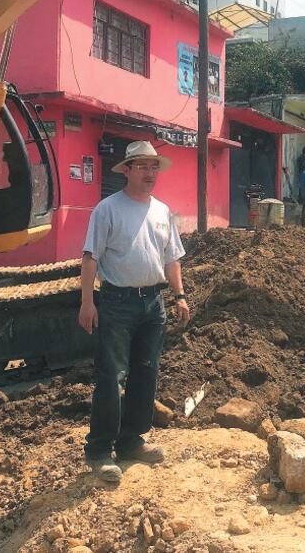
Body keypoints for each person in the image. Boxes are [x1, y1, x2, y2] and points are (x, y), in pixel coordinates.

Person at [78, 141, 191, 482]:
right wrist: (87, 302)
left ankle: (131, 441)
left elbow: (171, 259)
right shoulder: (108, 210)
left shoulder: (162, 211)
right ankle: (99, 450)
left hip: (152, 304)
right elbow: (90, 258)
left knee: (146, 372)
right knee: (111, 376)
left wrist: (180, 296)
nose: (149, 173)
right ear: (126, 170)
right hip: (117, 302)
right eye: (142, 166)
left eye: (154, 166)